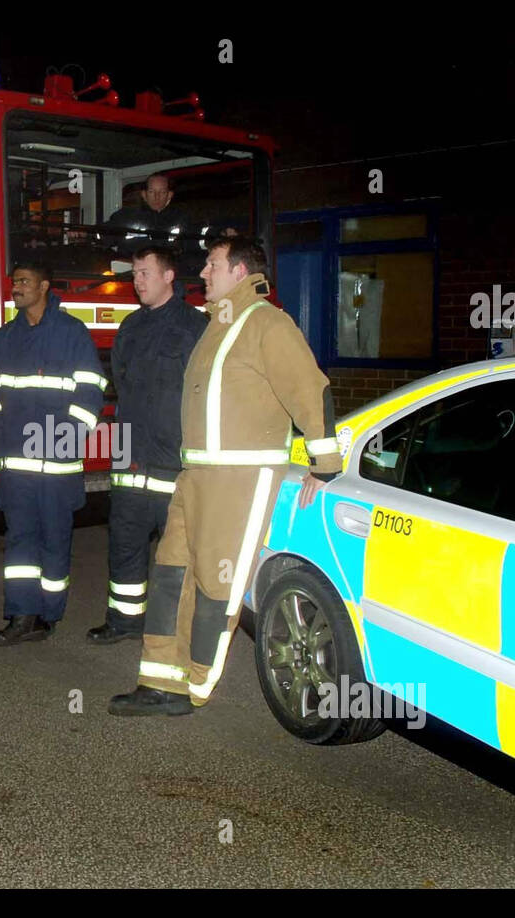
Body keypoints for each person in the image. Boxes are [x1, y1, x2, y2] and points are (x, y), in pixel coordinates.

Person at [108, 236, 342, 716]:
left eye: (212, 265)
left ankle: (194, 685)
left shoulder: (267, 324)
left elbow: (308, 389)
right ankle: (160, 682)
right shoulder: (219, 325)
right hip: (194, 475)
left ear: (239, 270)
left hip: (239, 478)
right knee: (172, 576)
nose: (204, 274)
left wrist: (326, 465)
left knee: (217, 589)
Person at [0, 263, 106, 645]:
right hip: (17, 462)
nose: (16, 287)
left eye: (24, 282)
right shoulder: (4, 338)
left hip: (57, 465)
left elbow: (91, 389)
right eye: (14, 281)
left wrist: (65, 440)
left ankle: (48, 614)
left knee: (54, 539)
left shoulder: (71, 333)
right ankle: (21, 614)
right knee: (20, 540)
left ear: (44, 287)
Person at [87, 246, 206, 645]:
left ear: (169, 276)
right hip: (130, 458)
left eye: (144, 273)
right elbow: (119, 378)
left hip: (173, 461)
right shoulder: (131, 326)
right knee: (123, 544)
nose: (137, 281)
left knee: (176, 556)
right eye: (134, 274)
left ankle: (173, 629)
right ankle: (124, 621)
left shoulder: (195, 327)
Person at [104, 173, 190, 252]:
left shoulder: (181, 219)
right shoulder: (125, 217)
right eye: (151, 192)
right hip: (132, 267)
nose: (157, 197)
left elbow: (190, 247)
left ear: (169, 195)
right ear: (144, 194)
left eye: (162, 192)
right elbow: (100, 239)